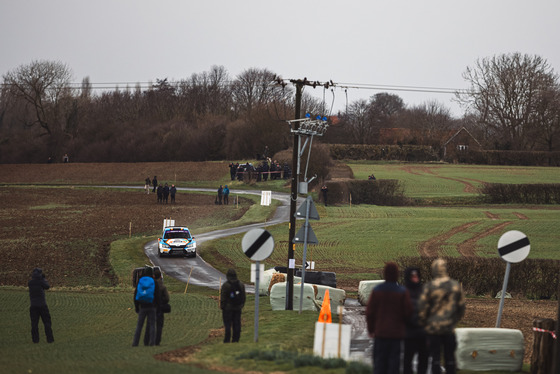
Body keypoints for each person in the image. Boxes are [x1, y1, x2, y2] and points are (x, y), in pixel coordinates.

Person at [418, 258, 466, 374]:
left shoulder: (429, 287)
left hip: (433, 329)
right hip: (449, 328)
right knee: (450, 358)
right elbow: (461, 307)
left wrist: (424, 323)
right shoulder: (455, 286)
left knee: (435, 359)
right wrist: (454, 320)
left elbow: (422, 309)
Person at [365, 262, 412, 374]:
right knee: (394, 364)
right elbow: (408, 312)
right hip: (396, 335)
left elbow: (370, 312)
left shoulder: (377, 291)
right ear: (397, 274)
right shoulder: (402, 291)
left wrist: (371, 329)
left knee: (380, 363)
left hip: (381, 333)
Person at [403, 267, 428, 374]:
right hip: (409, 333)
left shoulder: (424, 291)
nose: (415, 279)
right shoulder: (403, 292)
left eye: (416, 276)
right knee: (407, 360)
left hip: (423, 333)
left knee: (423, 360)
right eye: (413, 276)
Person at [133, 267, 161, 346]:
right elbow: (157, 295)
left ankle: (135, 342)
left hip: (142, 306)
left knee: (139, 325)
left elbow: (136, 294)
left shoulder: (140, 281)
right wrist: (158, 307)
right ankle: (152, 342)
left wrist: (137, 306)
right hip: (151, 306)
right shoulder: (154, 282)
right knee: (152, 325)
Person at [144, 267, 169, 346]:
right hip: (160, 307)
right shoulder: (163, 287)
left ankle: (146, 341)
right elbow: (167, 298)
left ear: (153, 276)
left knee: (149, 324)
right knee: (159, 325)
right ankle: (157, 341)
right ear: (161, 277)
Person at [28, 268, 54, 343]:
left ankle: (35, 340)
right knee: (47, 322)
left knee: (34, 324)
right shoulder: (41, 282)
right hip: (42, 305)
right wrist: (44, 278)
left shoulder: (30, 283)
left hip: (33, 305)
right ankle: (50, 339)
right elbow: (47, 286)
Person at [220, 268, 246, 343]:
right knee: (237, 324)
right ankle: (236, 339)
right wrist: (241, 305)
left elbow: (223, 297)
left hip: (228, 309)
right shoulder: (241, 284)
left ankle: (227, 339)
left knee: (228, 324)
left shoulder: (226, 285)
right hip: (238, 308)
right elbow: (243, 297)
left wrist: (223, 306)